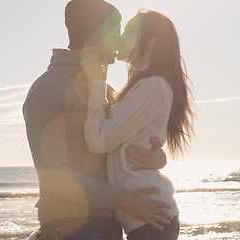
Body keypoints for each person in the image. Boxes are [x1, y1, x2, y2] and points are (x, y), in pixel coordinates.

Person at [22, 1, 174, 239]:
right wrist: (124, 200)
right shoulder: (48, 88)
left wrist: (158, 157)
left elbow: (121, 140)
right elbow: (54, 176)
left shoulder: (104, 89)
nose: (121, 41)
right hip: (71, 227)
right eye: (116, 32)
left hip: (112, 225)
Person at [80, 8, 195, 240]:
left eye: (130, 31)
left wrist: (95, 83)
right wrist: (160, 157)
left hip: (153, 220)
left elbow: (98, 140)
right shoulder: (137, 88)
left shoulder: (153, 87)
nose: (122, 36)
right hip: (145, 220)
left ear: (151, 42)